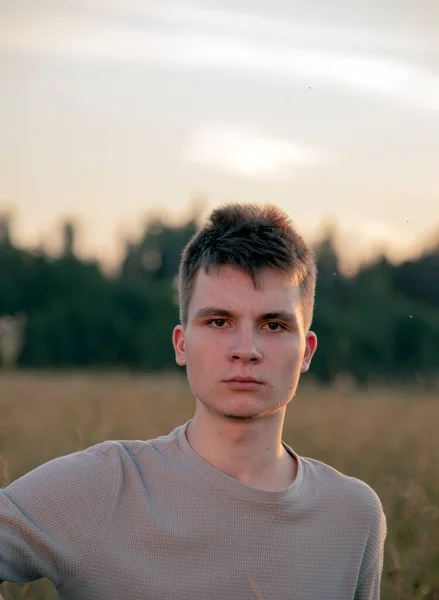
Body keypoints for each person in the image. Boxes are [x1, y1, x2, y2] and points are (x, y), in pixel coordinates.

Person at [0, 202, 387, 599]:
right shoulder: (101, 487)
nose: (245, 349)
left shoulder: (354, 515)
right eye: (219, 321)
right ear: (182, 344)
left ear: (306, 351)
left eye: (274, 325)